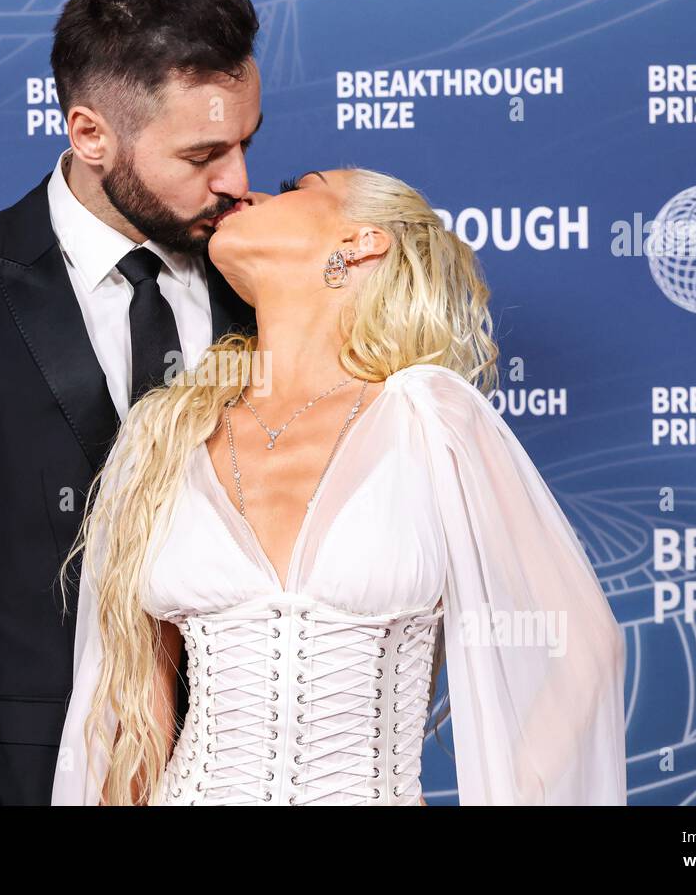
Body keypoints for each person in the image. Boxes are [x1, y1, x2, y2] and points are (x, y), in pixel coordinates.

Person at [50, 167, 628, 805]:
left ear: (362, 242)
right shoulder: (165, 435)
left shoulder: (429, 418)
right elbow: (139, 719)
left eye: (298, 186)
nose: (247, 191)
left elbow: (582, 649)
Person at [0, 0, 259, 805]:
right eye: (202, 153)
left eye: (245, 143)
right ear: (90, 135)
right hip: (35, 775)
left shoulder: (269, 274)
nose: (237, 183)